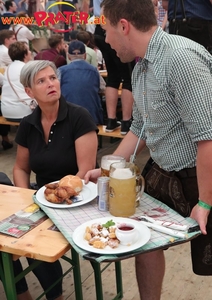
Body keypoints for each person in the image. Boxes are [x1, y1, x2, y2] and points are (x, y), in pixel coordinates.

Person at [84, 0, 212, 299]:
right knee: (143, 241)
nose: (107, 42)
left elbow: (208, 137)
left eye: (107, 32)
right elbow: (140, 126)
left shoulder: (181, 58)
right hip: (164, 169)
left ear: (124, 26)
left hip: (203, 174)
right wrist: (107, 168)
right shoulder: (141, 64)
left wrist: (205, 202)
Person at [13, 60, 98, 299]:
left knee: (36, 241)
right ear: (29, 92)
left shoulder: (79, 117)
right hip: (42, 197)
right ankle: (21, 293)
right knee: (8, 236)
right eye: (41, 81)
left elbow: (85, 172)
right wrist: (26, 198)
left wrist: (57, 196)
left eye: (53, 77)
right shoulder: (28, 124)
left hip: (78, 200)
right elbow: (20, 168)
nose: (51, 84)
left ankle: (55, 295)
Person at [93, 0, 135, 135]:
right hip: (115, 26)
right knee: (128, 78)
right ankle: (126, 122)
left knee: (113, 77)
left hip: (99, 27)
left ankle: (111, 120)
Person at [59, 40, 104, 125]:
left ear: (68, 56)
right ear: (85, 56)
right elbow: (102, 88)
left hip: (67, 117)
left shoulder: (61, 71)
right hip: (91, 117)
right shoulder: (94, 71)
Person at [1, 41, 36, 122]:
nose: (30, 52)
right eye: (29, 50)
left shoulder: (8, 68)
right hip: (24, 111)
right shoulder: (27, 68)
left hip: (6, 111)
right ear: (25, 54)